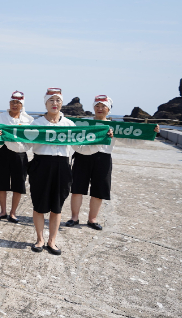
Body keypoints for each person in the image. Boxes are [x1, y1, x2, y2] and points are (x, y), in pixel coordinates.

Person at [65, 96, 160, 231]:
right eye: (97, 106)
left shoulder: (115, 126)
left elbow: (130, 140)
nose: (100, 109)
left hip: (103, 159)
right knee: (77, 188)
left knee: (99, 190)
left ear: (109, 110)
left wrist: (150, 134)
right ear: (93, 107)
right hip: (82, 156)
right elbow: (72, 137)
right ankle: (74, 218)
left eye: (103, 106)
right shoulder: (84, 123)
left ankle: (92, 219)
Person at [26, 88, 75, 255]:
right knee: (39, 205)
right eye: (51, 100)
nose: (55, 103)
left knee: (57, 206)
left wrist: (105, 136)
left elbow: (81, 145)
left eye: (58, 100)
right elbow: (25, 144)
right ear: (45, 103)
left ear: (62, 103)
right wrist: (6, 135)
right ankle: (39, 239)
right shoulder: (36, 123)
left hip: (62, 166)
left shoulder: (69, 124)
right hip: (41, 165)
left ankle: (52, 241)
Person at [0, 91, 34, 223]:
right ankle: (3, 211)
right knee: (1, 183)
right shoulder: (0, 117)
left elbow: (31, 140)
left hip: (19, 154)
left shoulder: (29, 120)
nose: (15, 105)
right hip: (1, 152)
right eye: (12, 102)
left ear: (22, 105)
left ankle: (13, 212)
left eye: (18, 103)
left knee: (18, 183)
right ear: (9, 103)